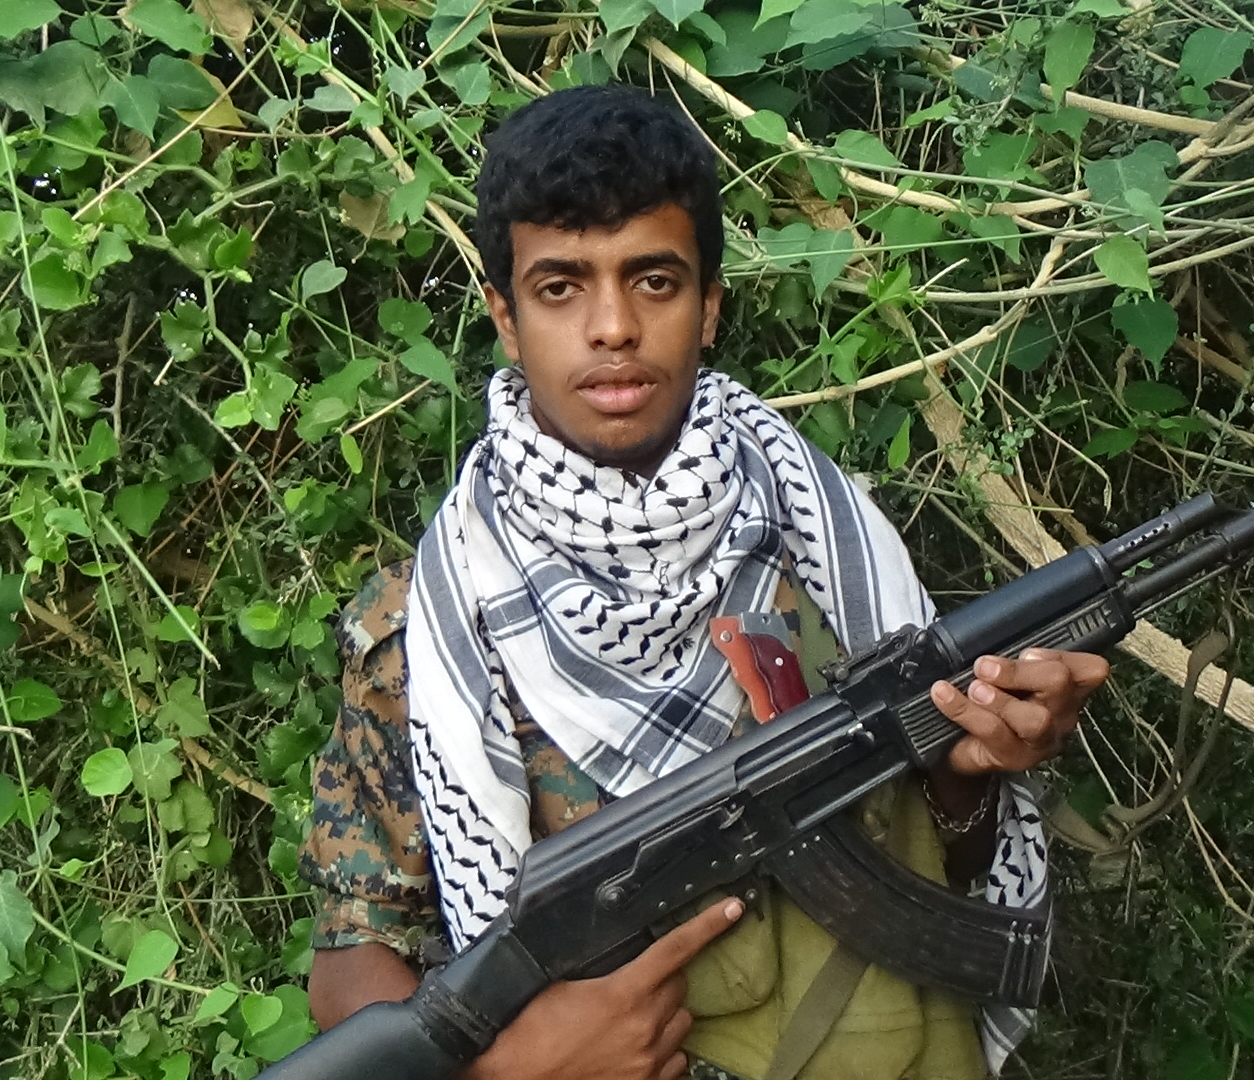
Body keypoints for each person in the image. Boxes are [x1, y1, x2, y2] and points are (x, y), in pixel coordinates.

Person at [297, 85, 1110, 1080]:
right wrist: (509, 1071)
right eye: (561, 288)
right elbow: (353, 955)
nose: (612, 327)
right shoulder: (428, 625)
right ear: (505, 318)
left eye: (654, 280)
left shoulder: (827, 546)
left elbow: (943, 854)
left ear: (710, 305)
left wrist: (974, 770)